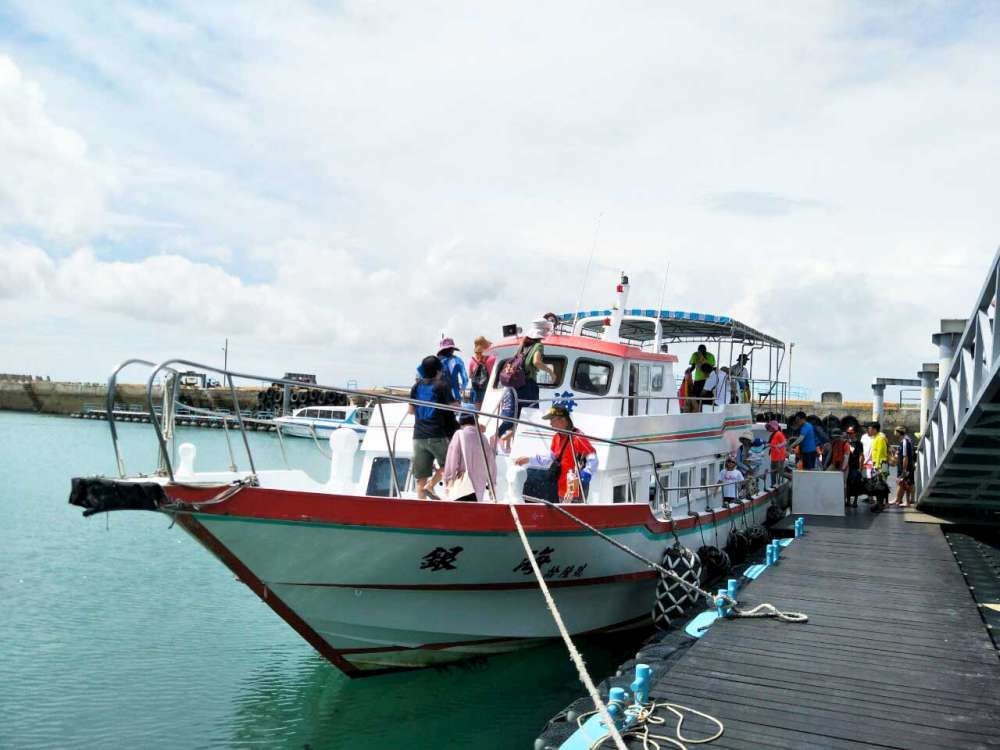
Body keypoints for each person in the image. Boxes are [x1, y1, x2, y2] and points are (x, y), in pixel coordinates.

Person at [515, 405, 597, 502]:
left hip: (575, 488)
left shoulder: (578, 437)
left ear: (563, 420)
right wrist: (528, 459)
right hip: (562, 488)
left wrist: (585, 475)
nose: (550, 424)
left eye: (552, 420)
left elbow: (592, 458)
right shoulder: (556, 437)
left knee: (573, 514)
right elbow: (549, 458)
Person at [408, 355, 459, 499]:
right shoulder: (442, 385)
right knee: (449, 464)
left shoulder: (416, 386)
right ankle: (431, 486)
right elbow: (452, 406)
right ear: (438, 370)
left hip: (418, 436)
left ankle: (421, 509)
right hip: (436, 434)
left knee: (420, 477)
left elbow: (411, 410)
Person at [444, 412, 497, 502]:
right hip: (480, 484)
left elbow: (452, 459)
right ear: (475, 421)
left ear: (461, 422)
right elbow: (491, 462)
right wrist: (492, 483)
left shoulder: (459, 434)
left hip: (463, 484)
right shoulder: (483, 437)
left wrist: (449, 479)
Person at [514, 318, 556, 417]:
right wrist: (551, 373)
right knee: (531, 413)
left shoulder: (523, 344)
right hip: (529, 384)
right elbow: (536, 362)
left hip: (517, 383)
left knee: (518, 413)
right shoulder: (538, 346)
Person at [437, 337, 469, 403]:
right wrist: (462, 388)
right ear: (452, 350)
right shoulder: (458, 361)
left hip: (438, 396)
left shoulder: (435, 361)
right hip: (455, 396)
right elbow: (465, 379)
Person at [468, 336, 495, 409]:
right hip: (488, 390)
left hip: (477, 392)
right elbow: (493, 376)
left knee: (478, 413)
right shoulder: (491, 358)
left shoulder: (472, 360)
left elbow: (470, 376)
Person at [892, 425, 915, 507]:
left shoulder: (905, 441)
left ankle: (903, 501)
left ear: (899, 432)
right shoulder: (906, 440)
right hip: (907, 466)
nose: (894, 433)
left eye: (895, 431)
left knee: (903, 483)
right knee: (906, 483)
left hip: (905, 466)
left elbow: (906, 456)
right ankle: (902, 500)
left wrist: (904, 469)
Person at [688, 345, 715, 409]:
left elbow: (693, 367)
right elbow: (712, 367)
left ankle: (698, 409)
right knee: (707, 395)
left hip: (699, 380)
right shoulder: (711, 356)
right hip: (708, 379)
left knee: (696, 395)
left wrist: (688, 372)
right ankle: (705, 408)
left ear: (698, 350)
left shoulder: (695, 355)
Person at [845, 426, 864, 507]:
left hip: (855, 466)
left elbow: (861, 456)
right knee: (848, 484)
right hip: (847, 467)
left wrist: (860, 468)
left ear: (855, 433)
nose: (849, 435)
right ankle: (848, 501)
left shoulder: (859, 444)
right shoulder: (846, 442)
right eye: (848, 433)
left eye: (851, 433)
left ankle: (855, 501)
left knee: (856, 484)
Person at [765, 420, 787, 488]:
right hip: (774, 457)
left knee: (779, 472)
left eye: (770, 427)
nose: (769, 429)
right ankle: (773, 486)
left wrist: (778, 446)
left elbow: (784, 442)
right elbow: (770, 444)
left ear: (773, 427)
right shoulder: (773, 435)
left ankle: (791, 477)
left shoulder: (778, 433)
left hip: (779, 457)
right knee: (773, 472)